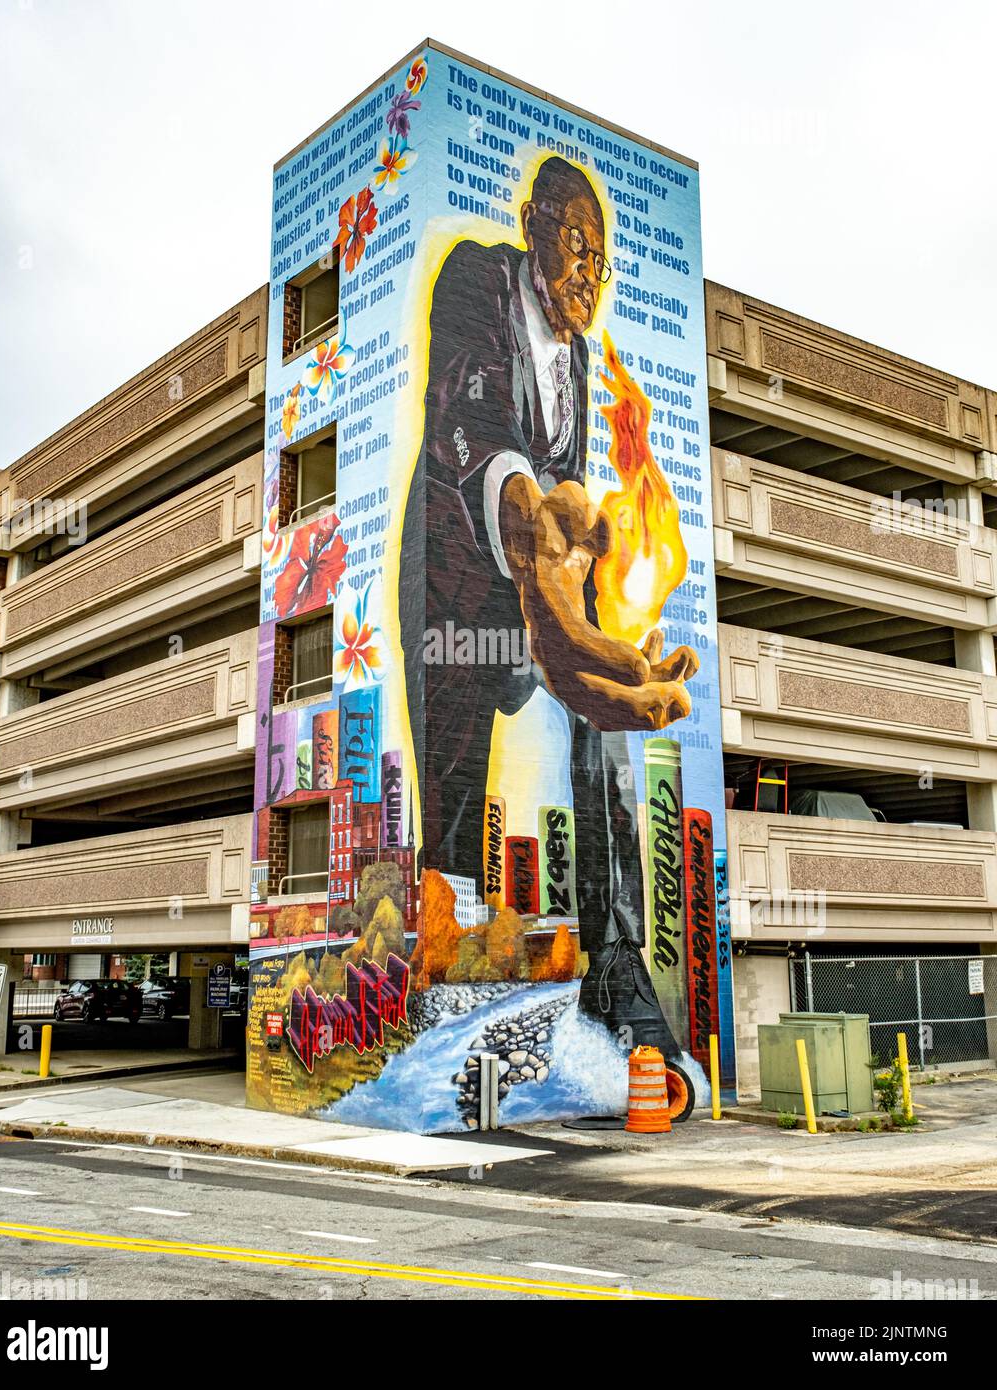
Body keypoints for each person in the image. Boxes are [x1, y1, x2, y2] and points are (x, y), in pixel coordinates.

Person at [399, 156, 697, 1056]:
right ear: (534, 227)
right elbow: (467, 425)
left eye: (600, 263)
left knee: (605, 721)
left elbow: (573, 498)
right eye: (576, 247)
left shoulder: (578, 361)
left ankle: (614, 954)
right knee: (452, 778)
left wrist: (603, 634)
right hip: (459, 576)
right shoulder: (474, 280)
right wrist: (529, 537)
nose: (587, 277)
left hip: (542, 578)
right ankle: (440, 960)